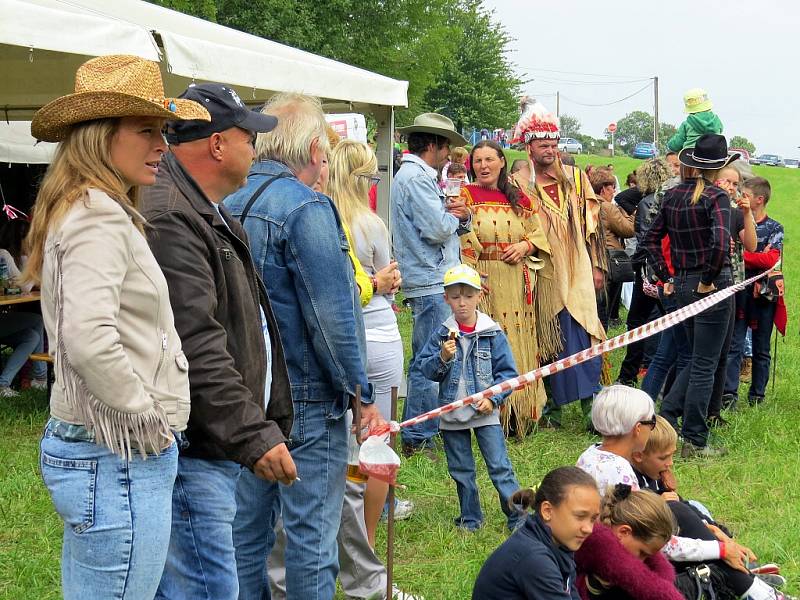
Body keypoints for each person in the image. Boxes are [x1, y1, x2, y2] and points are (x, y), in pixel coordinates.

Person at [26, 54, 209, 599]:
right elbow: (87, 336)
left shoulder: (87, 207)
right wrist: (144, 417)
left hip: (105, 454)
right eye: (146, 130)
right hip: (118, 455)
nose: (162, 144)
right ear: (100, 135)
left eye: (165, 130)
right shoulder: (98, 213)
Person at [223, 92, 384, 600]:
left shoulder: (225, 201)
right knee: (311, 540)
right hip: (306, 398)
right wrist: (359, 391)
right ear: (317, 149)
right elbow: (333, 317)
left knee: (246, 535)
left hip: (243, 394)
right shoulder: (307, 207)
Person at [137, 83, 294, 600]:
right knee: (205, 590)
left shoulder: (201, 206)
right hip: (193, 446)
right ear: (218, 144)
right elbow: (195, 342)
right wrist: (253, 433)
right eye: (249, 136)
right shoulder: (172, 215)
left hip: (209, 441)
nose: (256, 149)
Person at [510, 98, 606, 429]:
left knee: (583, 333)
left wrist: (596, 266)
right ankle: (550, 408)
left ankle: (591, 408)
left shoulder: (576, 179)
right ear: (529, 145)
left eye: (553, 143)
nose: (550, 150)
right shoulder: (519, 184)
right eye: (543, 144)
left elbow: (594, 228)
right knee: (547, 337)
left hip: (577, 269)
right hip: (542, 271)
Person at [643, 134, 738, 458]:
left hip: (682, 284)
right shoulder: (716, 197)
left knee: (696, 359)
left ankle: (667, 418)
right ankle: (694, 439)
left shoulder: (673, 195)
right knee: (704, 365)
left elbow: (650, 240)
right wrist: (709, 280)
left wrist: (666, 275)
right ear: (721, 165)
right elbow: (721, 244)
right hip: (711, 285)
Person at [631, 416, 792, 600]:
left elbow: (685, 506)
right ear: (638, 455)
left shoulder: (653, 475)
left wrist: (716, 530)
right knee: (678, 509)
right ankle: (744, 580)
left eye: (672, 455)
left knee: (696, 506)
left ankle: (737, 568)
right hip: (663, 554)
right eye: (663, 457)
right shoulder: (634, 485)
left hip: (681, 545)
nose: (671, 463)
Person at [419, 264, 523, 532]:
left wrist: (494, 400)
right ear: (446, 298)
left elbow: (508, 374)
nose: (461, 303)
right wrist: (442, 357)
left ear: (479, 295)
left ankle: (518, 517)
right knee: (461, 470)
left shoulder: (492, 333)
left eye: (467, 296)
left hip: (485, 413)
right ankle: (470, 519)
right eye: (455, 297)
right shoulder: (442, 334)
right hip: (452, 415)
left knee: (500, 467)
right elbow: (425, 369)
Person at [391, 113, 471, 457]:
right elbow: (437, 229)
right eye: (447, 146)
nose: (449, 153)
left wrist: (456, 216)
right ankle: (419, 436)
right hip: (430, 278)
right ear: (435, 145)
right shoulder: (416, 178)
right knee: (429, 359)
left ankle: (423, 430)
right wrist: (457, 216)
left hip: (429, 276)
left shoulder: (415, 176)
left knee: (431, 356)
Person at [459, 140, 550, 435]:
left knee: (519, 343)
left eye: (489, 159)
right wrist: (473, 278)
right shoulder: (466, 195)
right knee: (487, 343)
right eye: (477, 161)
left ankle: (520, 412)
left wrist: (524, 245)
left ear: (501, 162)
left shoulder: (520, 199)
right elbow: (461, 237)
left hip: (515, 281)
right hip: (483, 280)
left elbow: (538, 233)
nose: (483, 166)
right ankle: (488, 414)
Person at [472, 466, 601, 600]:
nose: (588, 529)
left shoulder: (558, 544)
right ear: (547, 511)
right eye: (580, 516)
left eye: (592, 519)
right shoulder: (533, 558)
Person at [722, 176, 784, 408]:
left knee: (761, 346)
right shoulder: (735, 219)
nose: (740, 198)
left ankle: (757, 395)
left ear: (759, 200)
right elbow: (728, 253)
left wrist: (741, 256)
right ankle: (729, 393)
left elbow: (771, 259)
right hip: (738, 291)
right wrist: (756, 257)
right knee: (734, 343)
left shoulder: (775, 227)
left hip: (764, 295)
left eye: (745, 195)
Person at [625, 159, 679, 395]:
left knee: (638, 321)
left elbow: (646, 237)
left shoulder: (647, 203)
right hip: (662, 270)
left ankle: (629, 373)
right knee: (665, 321)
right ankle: (650, 373)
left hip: (649, 270)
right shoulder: (670, 201)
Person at [575, 485, 683, 600]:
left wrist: (666, 581)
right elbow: (647, 583)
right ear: (624, 531)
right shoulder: (599, 539)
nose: (642, 560)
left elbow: (662, 568)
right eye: (642, 552)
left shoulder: (621, 535)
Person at [576, 385, 655, 494]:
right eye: (652, 422)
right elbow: (633, 510)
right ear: (638, 428)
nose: (652, 429)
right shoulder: (621, 472)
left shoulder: (590, 453)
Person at [0, 233, 47, 395]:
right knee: (37, 321)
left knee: (31, 336)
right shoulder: (3, 255)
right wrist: (33, 262)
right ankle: (41, 378)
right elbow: (23, 284)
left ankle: (4, 384)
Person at [590, 168, 635, 330]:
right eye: (611, 188)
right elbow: (628, 230)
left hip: (591, 261)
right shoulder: (607, 207)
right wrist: (632, 213)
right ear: (603, 189)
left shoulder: (586, 204)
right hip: (608, 262)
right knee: (603, 311)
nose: (614, 191)